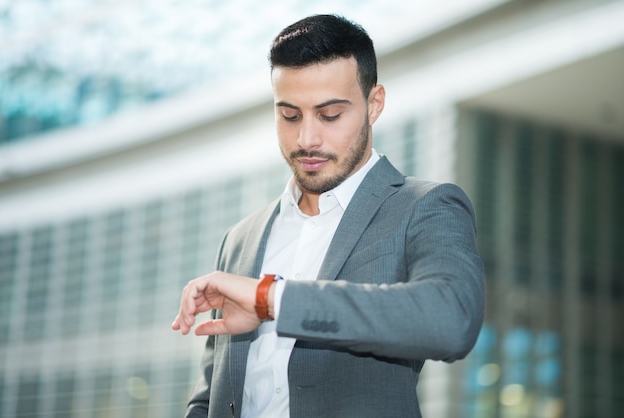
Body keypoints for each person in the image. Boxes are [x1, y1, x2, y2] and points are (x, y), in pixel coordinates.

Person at [172, 14, 485, 418]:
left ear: (374, 105)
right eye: (289, 115)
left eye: (330, 114)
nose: (306, 139)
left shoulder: (424, 206)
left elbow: (451, 319)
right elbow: (210, 397)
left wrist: (270, 298)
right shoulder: (241, 237)